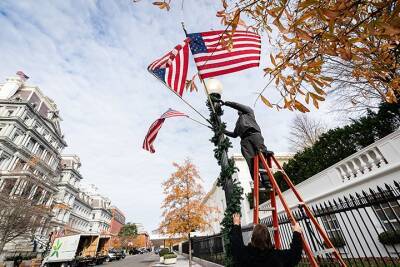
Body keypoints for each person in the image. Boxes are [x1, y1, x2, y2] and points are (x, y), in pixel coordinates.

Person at [218, 100, 272, 189]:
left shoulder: (249, 112)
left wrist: (226, 103)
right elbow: (234, 134)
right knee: (250, 162)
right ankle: (257, 182)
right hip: (244, 141)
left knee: (261, 157)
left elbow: (236, 104)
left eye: (239, 109)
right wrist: (223, 131)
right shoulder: (238, 122)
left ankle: (266, 180)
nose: (238, 110)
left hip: (254, 135)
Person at [230, 213, 303, 267]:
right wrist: (297, 233)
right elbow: (295, 254)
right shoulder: (277, 257)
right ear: (268, 238)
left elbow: (236, 243)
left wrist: (236, 224)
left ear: (253, 238)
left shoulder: (245, 256)